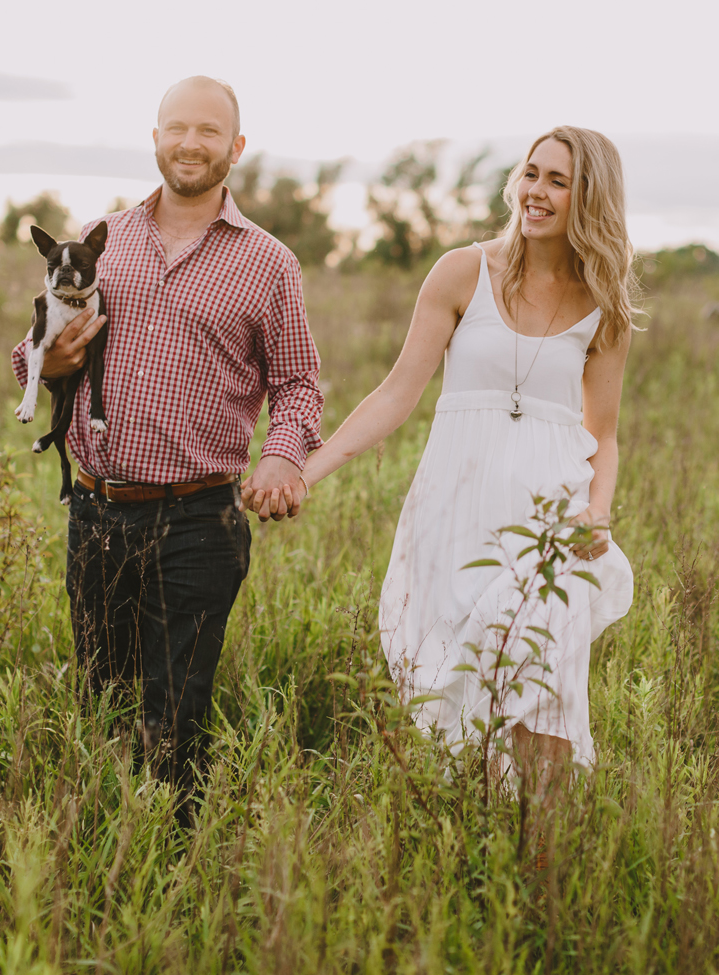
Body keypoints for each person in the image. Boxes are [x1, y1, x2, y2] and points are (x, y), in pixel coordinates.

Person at [264, 126, 637, 826]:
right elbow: (397, 393)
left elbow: (604, 433)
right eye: (532, 174)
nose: (537, 192)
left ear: (590, 196)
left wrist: (598, 511)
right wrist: (308, 470)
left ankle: (544, 881)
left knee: (543, 700)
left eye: (559, 181)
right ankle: (474, 852)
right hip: (457, 511)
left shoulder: (602, 305)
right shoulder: (463, 272)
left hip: (549, 524)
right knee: (462, 700)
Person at [10, 76, 322, 826]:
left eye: (209, 132)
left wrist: (282, 455)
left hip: (199, 520)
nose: (190, 142)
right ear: (155, 139)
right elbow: (38, 348)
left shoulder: (269, 262)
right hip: (97, 507)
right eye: (176, 128)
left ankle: (175, 875)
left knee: (175, 716)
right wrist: (40, 367)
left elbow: (300, 384)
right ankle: (101, 864)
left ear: (235, 148)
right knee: (103, 701)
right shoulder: (97, 241)